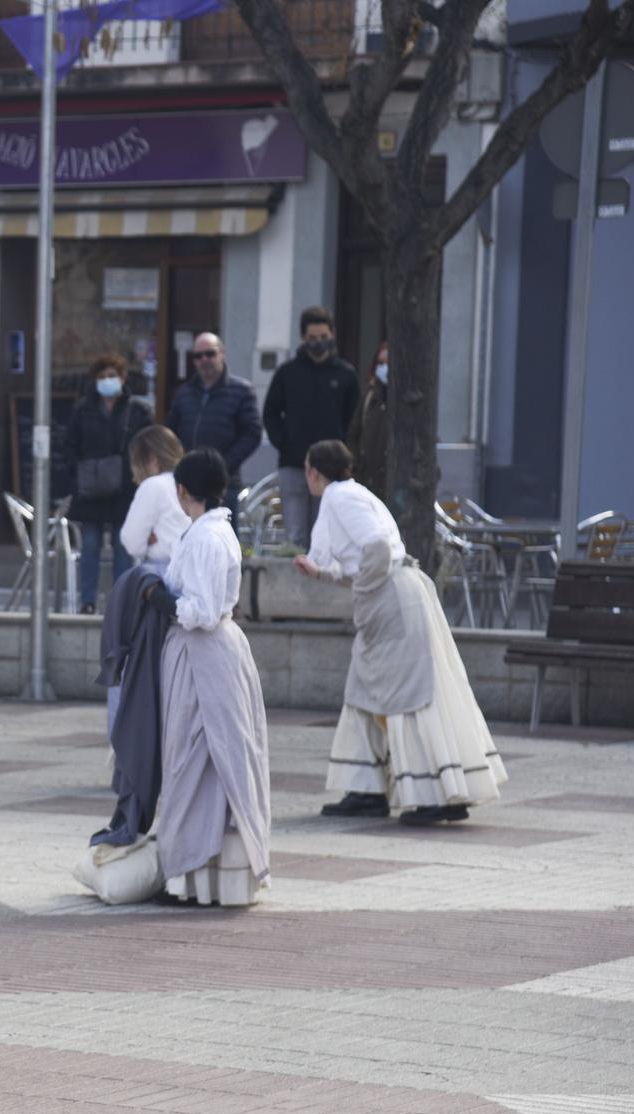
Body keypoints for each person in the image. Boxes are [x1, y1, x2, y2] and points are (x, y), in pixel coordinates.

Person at [294, 440, 506, 826]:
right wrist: (325, 573)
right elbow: (369, 554)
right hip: (398, 597)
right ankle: (368, 790)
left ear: (314, 472)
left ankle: (434, 795)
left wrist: (365, 592)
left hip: (392, 602)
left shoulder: (339, 498)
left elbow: (376, 548)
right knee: (365, 692)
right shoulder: (354, 494)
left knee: (409, 699)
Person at [147, 450, 271, 906]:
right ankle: (218, 880)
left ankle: (186, 877)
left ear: (183, 491)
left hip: (202, 654)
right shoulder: (221, 531)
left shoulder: (203, 538)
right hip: (222, 650)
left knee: (192, 759)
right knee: (222, 760)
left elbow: (198, 611)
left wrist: (163, 600)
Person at [59, 353, 155, 613]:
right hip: (90, 490)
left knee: (122, 546)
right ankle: (87, 601)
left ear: (123, 378)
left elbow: (149, 446)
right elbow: (69, 446)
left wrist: (141, 479)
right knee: (89, 545)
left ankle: (119, 601)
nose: (107, 381)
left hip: (125, 490)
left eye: (112, 376)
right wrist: (78, 473)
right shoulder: (83, 409)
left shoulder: (138, 410)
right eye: (101, 377)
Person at [263, 307, 360, 548]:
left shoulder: (346, 374)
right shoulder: (288, 373)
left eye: (323, 337)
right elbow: (270, 413)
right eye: (313, 339)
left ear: (332, 334)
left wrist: (344, 451)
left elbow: (355, 420)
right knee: (295, 537)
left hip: (332, 472)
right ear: (303, 339)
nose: (319, 343)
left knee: (326, 536)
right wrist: (285, 442)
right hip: (294, 465)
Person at [164, 332, 262, 520]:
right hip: (188, 481)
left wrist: (222, 466)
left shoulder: (241, 390)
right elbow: (171, 434)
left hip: (224, 482)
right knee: (187, 535)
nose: (204, 360)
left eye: (210, 354)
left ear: (222, 353)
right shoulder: (184, 393)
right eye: (198, 356)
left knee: (223, 536)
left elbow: (252, 434)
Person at [119, 425, 190, 574]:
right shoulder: (189, 481)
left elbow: (132, 541)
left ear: (152, 459)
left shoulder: (153, 485)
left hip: (161, 573)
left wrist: (145, 542)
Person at [348, 342, 391, 498]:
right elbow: (354, 434)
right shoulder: (369, 396)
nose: (384, 367)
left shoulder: (409, 401)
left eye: (388, 363)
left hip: (396, 488)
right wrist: (356, 466)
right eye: (380, 363)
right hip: (367, 485)